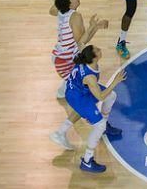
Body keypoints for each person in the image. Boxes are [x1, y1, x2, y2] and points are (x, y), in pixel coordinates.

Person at [50, 45, 127, 173]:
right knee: (99, 124)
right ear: (93, 58)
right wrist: (115, 81)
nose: (100, 49)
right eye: (97, 50)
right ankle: (87, 161)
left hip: (80, 89)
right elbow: (100, 96)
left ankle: (104, 127)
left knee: (111, 96)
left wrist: (94, 26)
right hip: (77, 96)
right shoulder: (90, 77)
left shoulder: (86, 61)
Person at [50, 0, 107, 98]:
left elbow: (52, 10)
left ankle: (65, 87)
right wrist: (93, 27)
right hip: (66, 60)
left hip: (59, 56)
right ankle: (68, 94)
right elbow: (81, 43)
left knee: (76, 75)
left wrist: (96, 27)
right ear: (68, 3)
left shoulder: (61, 11)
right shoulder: (75, 16)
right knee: (84, 76)